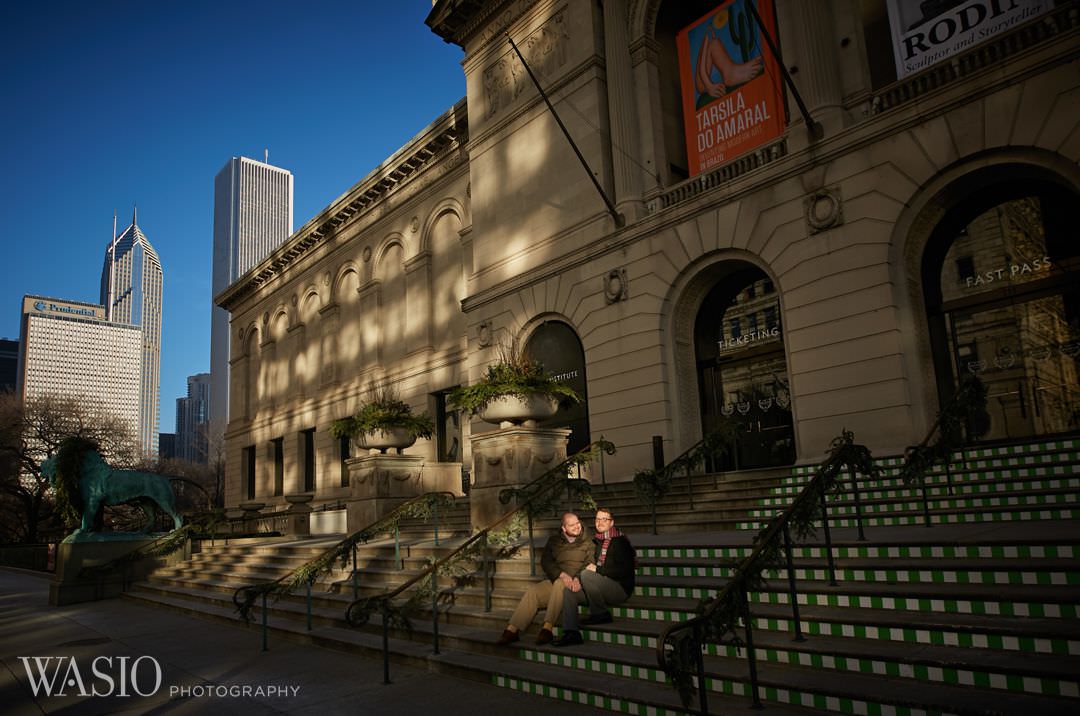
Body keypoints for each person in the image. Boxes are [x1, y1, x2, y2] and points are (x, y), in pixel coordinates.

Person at [495, 512, 594, 646]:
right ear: (564, 528)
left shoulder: (588, 541)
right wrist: (561, 574)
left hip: (576, 585)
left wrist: (577, 577)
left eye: (577, 523)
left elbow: (590, 563)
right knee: (534, 591)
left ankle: (547, 628)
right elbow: (546, 562)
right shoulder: (554, 541)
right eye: (572, 525)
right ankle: (512, 631)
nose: (577, 527)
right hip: (558, 579)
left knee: (560, 584)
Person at [552, 508, 635, 647]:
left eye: (604, 519)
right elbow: (588, 565)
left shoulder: (620, 542)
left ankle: (601, 613)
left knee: (587, 574)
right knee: (569, 590)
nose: (600, 522)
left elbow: (624, 570)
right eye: (597, 519)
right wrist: (577, 579)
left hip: (619, 588)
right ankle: (571, 633)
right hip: (600, 586)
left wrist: (598, 569)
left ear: (612, 522)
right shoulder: (598, 541)